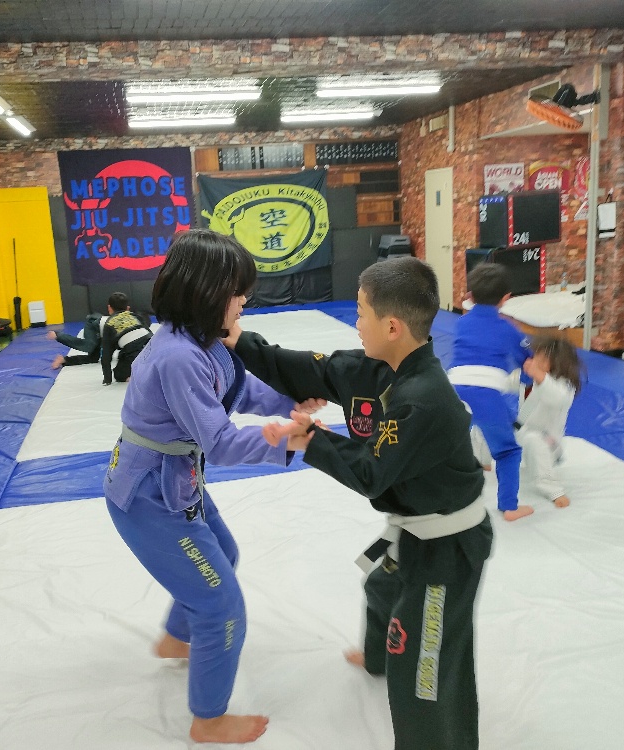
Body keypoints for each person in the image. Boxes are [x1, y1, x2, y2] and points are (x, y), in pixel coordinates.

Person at [226, 257, 493, 750]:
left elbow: (372, 472)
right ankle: (378, 654)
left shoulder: (423, 399)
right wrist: (238, 340)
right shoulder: (375, 369)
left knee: (424, 668)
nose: (356, 322)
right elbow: (310, 368)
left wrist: (311, 439)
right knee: (380, 585)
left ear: (392, 327)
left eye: (361, 312)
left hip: (448, 547)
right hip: (413, 526)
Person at [103, 229, 320, 745]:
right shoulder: (178, 355)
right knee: (221, 606)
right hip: (148, 497)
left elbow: (239, 389)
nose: (244, 301)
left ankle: (175, 640)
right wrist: (284, 443)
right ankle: (208, 718)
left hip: (174, 481)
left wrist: (290, 402)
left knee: (224, 552)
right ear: (206, 293)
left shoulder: (200, 342)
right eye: (237, 293)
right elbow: (220, 443)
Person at [448, 264, 534, 522]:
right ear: (506, 297)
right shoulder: (508, 329)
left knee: (448, 448)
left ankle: (443, 500)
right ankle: (509, 506)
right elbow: (528, 362)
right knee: (508, 451)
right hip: (486, 394)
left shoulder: (462, 322)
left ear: (471, 295)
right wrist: (528, 379)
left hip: (452, 391)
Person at [516, 336, 583, 508]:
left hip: (548, 444)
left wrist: (539, 375)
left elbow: (558, 398)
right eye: (536, 356)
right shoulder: (529, 379)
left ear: (559, 363)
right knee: (489, 422)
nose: (536, 361)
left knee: (533, 440)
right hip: (520, 435)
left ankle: (553, 490)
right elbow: (507, 381)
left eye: (543, 359)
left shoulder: (563, 386)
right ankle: (480, 462)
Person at [48, 292, 152, 384]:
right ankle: (58, 335)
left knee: (93, 358)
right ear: (127, 308)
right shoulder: (124, 320)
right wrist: (107, 379)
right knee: (88, 345)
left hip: (108, 331)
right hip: (94, 325)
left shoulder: (133, 319)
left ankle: (64, 360)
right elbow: (107, 354)